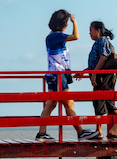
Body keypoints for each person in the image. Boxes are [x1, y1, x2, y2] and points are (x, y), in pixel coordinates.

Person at [37, 10, 99, 141]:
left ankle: (42, 133)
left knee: (53, 104)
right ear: (62, 24)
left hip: (56, 75)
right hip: (58, 75)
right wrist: (74, 22)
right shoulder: (56, 36)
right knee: (68, 103)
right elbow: (76, 36)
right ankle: (80, 133)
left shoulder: (52, 36)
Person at [85, 21, 117, 139]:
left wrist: (94, 74)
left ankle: (99, 132)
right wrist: (86, 71)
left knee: (99, 102)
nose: (90, 33)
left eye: (91, 30)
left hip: (102, 77)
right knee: (109, 105)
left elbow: (103, 57)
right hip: (102, 76)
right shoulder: (100, 42)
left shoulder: (101, 40)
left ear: (98, 30)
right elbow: (97, 62)